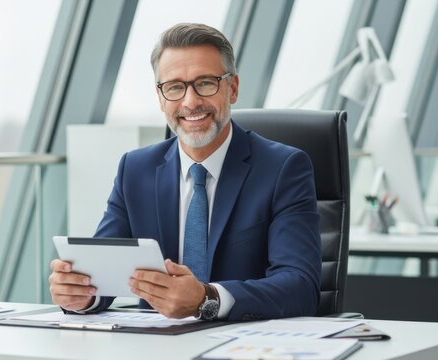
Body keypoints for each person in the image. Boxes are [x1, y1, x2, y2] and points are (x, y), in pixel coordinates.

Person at [49, 23, 321, 321]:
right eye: (175, 87)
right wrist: (80, 293)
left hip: (243, 345)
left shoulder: (283, 168)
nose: (191, 102)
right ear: (161, 97)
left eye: (205, 83)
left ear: (232, 88)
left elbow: (300, 287)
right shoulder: (135, 170)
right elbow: (102, 273)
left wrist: (207, 298)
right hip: (156, 346)